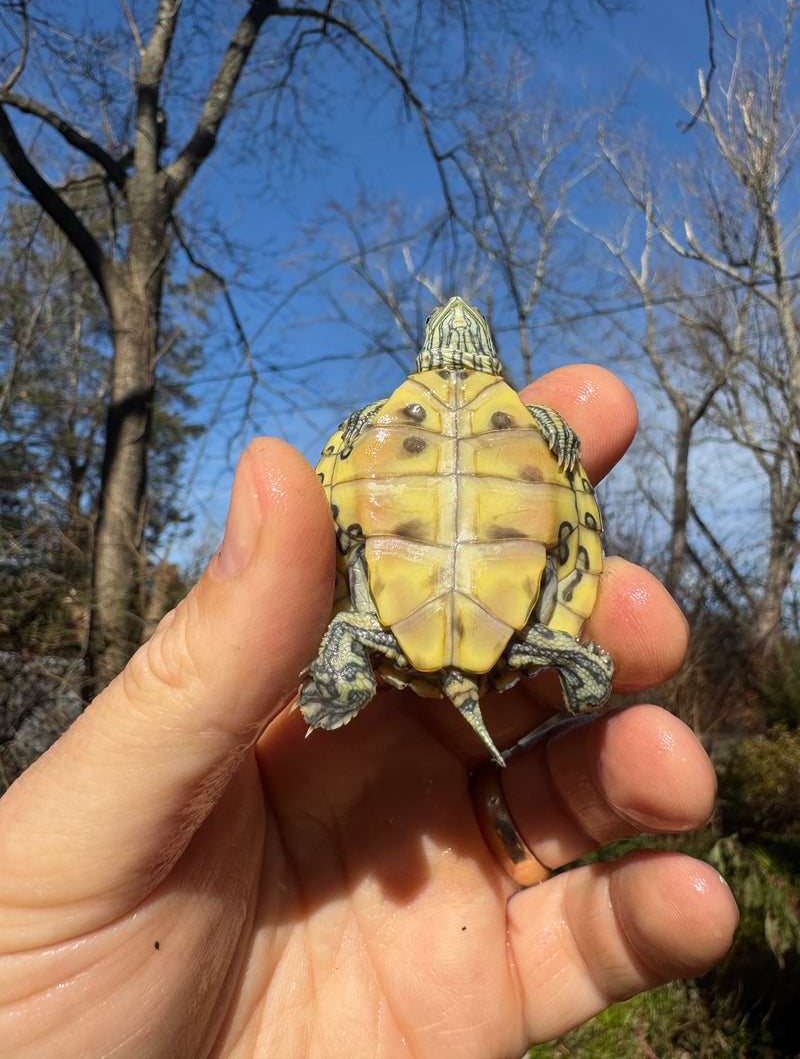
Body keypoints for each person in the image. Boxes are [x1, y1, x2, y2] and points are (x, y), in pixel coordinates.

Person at [0, 365, 738, 1059]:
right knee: (587, 651)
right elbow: (561, 486)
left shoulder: (382, 423)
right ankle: (556, 655)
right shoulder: (529, 426)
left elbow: (345, 476)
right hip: (516, 637)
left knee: (362, 623)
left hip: (391, 629)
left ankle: (368, 650)